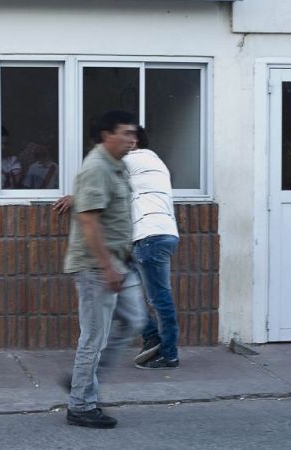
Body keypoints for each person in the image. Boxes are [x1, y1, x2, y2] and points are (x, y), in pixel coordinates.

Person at [63, 110, 145, 429]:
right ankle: (80, 404)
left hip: (117, 263)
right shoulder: (96, 168)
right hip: (97, 267)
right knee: (94, 336)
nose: (132, 139)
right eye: (125, 133)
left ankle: (81, 381)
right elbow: (88, 221)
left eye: (134, 134)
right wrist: (107, 266)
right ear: (105, 135)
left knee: (134, 320)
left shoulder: (118, 166)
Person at [126, 126, 181, 369]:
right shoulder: (153, 160)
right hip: (160, 234)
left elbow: (101, 182)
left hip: (151, 236)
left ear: (134, 141)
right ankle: (154, 340)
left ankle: (167, 353)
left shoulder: (133, 159)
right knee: (128, 291)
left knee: (159, 299)